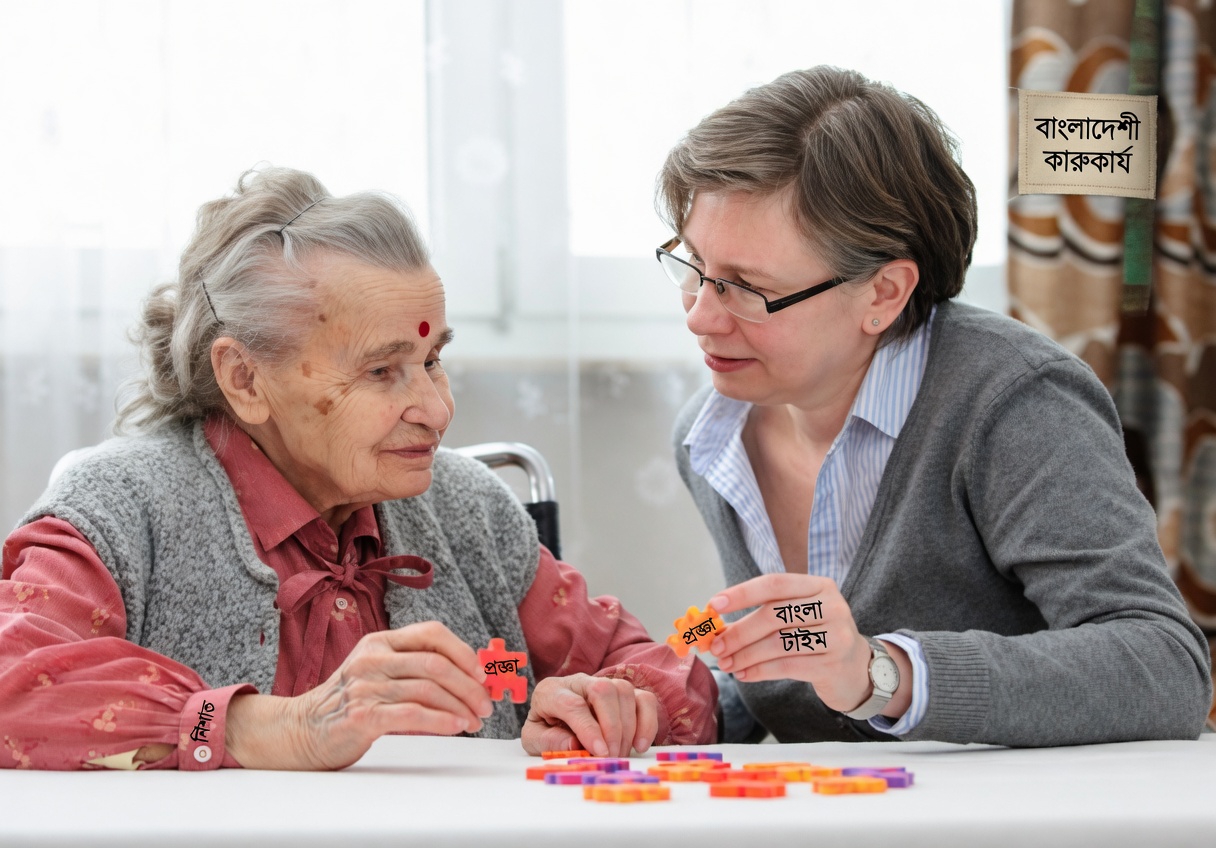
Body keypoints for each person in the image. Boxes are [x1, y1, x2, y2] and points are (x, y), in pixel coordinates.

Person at [0, 167, 715, 771]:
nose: (436, 410)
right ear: (245, 379)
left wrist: (611, 706)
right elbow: (14, 683)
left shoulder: (467, 510)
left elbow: (672, 670)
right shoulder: (123, 508)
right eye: (382, 372)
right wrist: (261, 729)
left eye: (433, 361)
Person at [655, 65, 1212, 745]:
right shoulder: (710, 435)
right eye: (694, 269)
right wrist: (669, 701)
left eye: (746, 287)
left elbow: (1164, 668)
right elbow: (799, 677)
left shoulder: (1013, 404)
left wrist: (883, 673)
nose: (700, 318)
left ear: (884, 294)